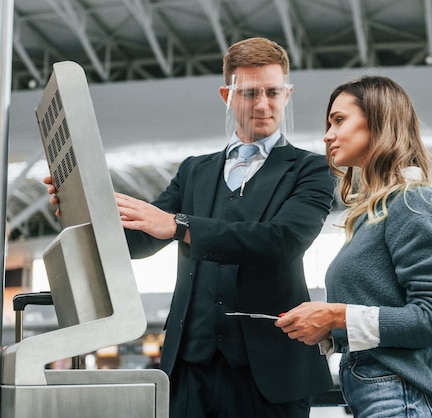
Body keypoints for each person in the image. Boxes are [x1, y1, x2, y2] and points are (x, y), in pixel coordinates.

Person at [46, 37, 335, 417]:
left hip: (269, 372)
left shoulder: (310, 169)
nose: (264, 104)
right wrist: (79, 209)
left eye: (273, 92)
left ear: (288, 93)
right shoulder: (194, 170)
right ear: (226, 95)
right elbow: (140, 242)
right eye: (249, 93)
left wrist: (179, 226)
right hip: (188, 369)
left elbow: (282, 241)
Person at [275, 75, 432, 417]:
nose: (327, 135)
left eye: (339, 120)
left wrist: (335, 314)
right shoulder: (375, 214)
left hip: (408, 398)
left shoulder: (413, 203)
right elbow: (383, 310)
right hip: (390, 397)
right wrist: (327, 329)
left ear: (380, 121)